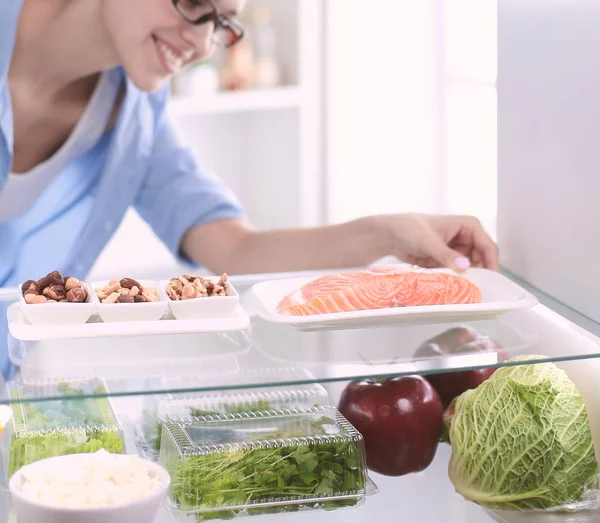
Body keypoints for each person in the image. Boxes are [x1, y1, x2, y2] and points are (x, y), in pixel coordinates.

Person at [0, 0, 499, 376]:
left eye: (222, 23)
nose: (201, 44)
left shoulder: (137, 116)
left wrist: (389, 234)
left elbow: (235, 250)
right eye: (195, 2)